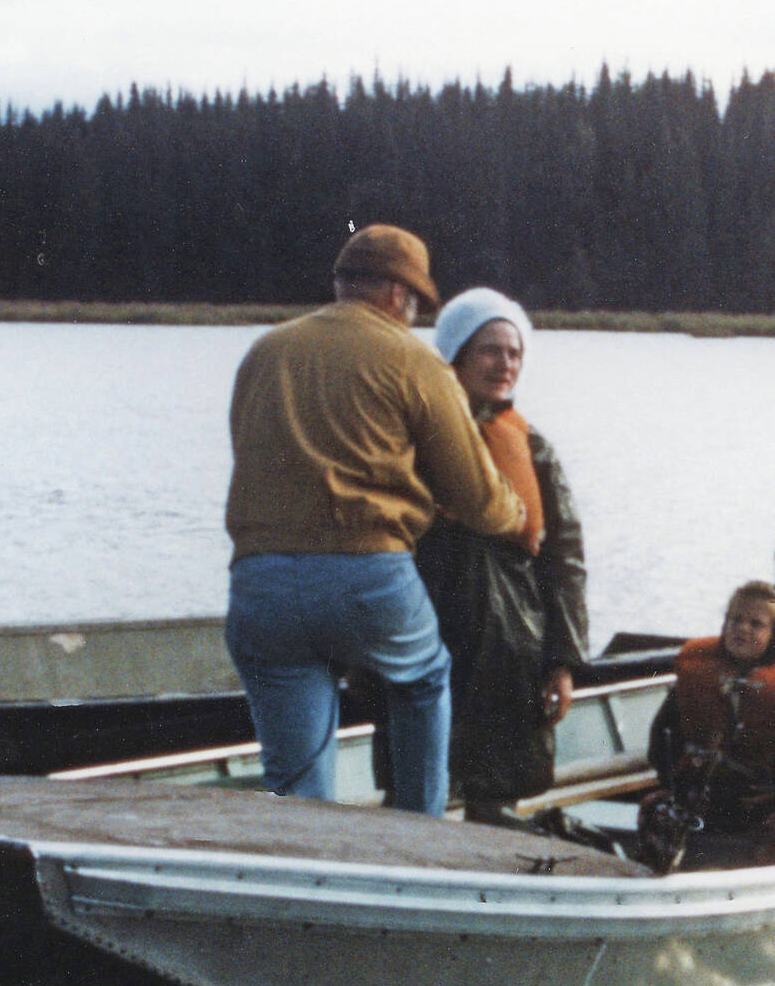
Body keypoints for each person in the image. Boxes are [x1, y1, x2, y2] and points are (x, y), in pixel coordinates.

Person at [223, 225, 524, 815]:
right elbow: (480, 500)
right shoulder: (414, 360)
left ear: (341, 285)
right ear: (397, 295)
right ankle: (418, 831)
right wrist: (514, 515)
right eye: (414, 305)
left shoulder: (266, 351)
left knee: (296, 780)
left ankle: (306, 868)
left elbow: (250, 452)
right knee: (425, 678)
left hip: (260, 583)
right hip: (367, 577)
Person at [410, 286, 589, 824]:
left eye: (514, 353)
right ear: (456, 355)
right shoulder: (411, 437)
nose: (504, 364)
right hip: (427, 635)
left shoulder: (533, 448)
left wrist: (563, 660)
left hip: (514, 646)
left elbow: (566, 561)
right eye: (490, 350)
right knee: (415, 791)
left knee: (498, 794)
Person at [643, 582, 775, 859]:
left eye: (756, 624)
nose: (742, 629)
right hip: (704, 797)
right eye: (735, 619)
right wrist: (676, 784)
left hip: (765, 801)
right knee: (655, 812)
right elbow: (662, 738)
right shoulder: (698, 673)